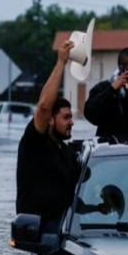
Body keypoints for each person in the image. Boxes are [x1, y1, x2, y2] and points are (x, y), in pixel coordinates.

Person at [16, 40, 81, 232]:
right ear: (51, 120)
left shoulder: (67, 152)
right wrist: (61, 63)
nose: (71, 122)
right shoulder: (35, 142)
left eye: (71, 117)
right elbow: (44, 107)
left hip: (67, 228)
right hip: (41, 231)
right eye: (66, 117)